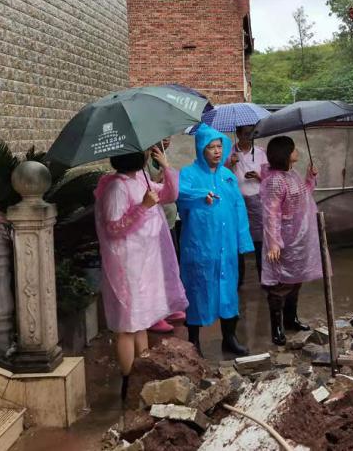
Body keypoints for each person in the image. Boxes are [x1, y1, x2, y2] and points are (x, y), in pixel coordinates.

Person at [94, 147, 188, 401]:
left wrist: (167, 168)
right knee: (127, 323)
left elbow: (169, 195)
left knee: (142, 320)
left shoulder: (141, 179)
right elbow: (113, 227)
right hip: (126, 263)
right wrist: (143, 207)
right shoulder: (116, 187)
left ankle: (143, 372)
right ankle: (128, 380)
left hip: (145, 261)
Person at [177, 124, 254, 356]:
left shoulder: (228, 176)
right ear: (201, 149)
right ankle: (194, 341)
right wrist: (202, 197)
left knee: (229, 291)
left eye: (219, 146)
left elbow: (239, 208)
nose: (217, 151)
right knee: (197, 290)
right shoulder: (188, 174)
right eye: (210, 147)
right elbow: (180, 196)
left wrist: (242, 242)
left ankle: (229, 337)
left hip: (227, 246)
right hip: (200, 245)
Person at [260, 136, 322, 345]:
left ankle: (291, 319)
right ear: (285, 154)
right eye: (293, 149)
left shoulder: (291, 174)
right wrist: (274, 242)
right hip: (283, 239)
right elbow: (271, 214)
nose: (297, 152)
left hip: (298, 239)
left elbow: (303, 196)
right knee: (279, 285)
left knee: (295, 281)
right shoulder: (275, 180)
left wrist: (310, 177)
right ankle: (276, 327)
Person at [145, 136, 182, 334]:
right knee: (155, 269)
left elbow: (172, 191)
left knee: (169, 264)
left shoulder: (159, 157)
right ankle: (155, 313)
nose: (166, 140)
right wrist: (163, 172)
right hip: (150, 225)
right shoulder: (144, 164)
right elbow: (154, 191)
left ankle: (169, 305)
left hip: (167, 219)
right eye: (161, 136)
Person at [226, 125, 269, 287]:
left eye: (252, 134)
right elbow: (222, 176)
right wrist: (230, 164)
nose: (249, 137)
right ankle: (238, 280)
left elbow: (268, 176)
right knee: (236, 240)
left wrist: (258, 175)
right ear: (237, 134)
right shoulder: (228, 153)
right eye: (245, 134)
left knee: (260, 240)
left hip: (257, 200)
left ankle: (264, 278)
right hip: (236, 202)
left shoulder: (260, 152)